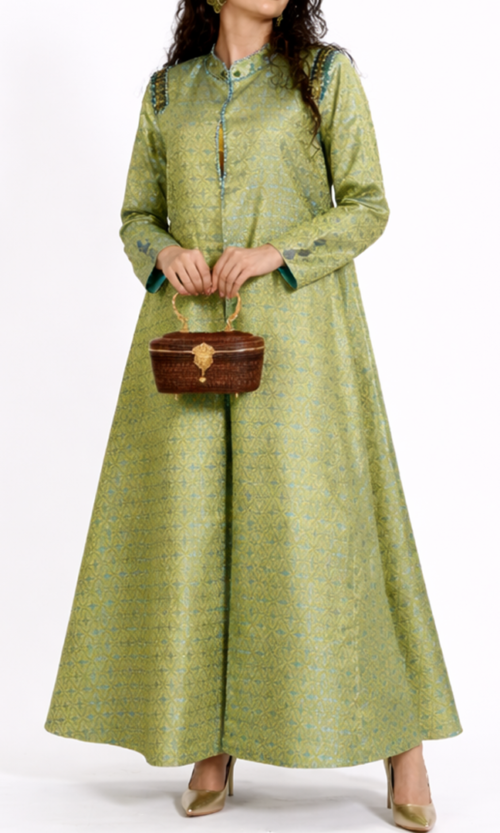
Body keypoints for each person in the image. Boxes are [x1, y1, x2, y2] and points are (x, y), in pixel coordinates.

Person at [45, 1, 462, 829]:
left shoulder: (325, 78)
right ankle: (211, 739)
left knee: (327, 532)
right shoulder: (169, 94)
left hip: (301, 337)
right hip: (190, 342)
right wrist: (162, 251)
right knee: (195, 535)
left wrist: (278, 251)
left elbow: (368, 204)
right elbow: (136, 216)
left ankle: (402, 741)